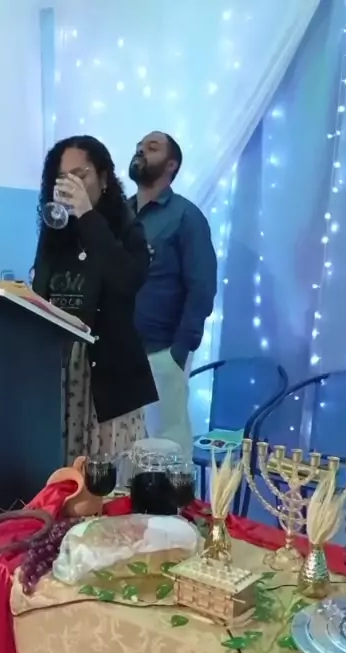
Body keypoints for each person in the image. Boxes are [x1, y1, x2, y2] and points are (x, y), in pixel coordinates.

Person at [33, 135, 157, 464]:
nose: (70, 184)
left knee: (104, 476)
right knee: (62, 473)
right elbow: (42, 294)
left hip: (107, 374)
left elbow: (126, 280)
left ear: (103, 179)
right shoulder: (55, 232)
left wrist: (87, 216)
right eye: (62, 178)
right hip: (59, 371)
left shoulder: (127, 229)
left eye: (80, 175)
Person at [129, 131, 217, 458]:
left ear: (171, 165)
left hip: (161, 351)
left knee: (167, 450)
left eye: (151, 148)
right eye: (139, 146)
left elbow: (202, 287)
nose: (141, 150)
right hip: (119, 353)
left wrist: (178, 352)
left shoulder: (186, 217)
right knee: (125, 451)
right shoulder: (120, 215)